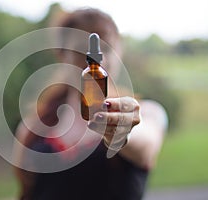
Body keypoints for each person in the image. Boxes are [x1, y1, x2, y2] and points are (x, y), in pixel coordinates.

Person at [13, 8, 168, 200]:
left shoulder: (147, 113)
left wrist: (125, 127)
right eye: (80, 50)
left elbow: (145, 141)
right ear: (62, 56)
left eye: (106, 47)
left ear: (119, 52)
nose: (95, 59)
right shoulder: (33, 128)